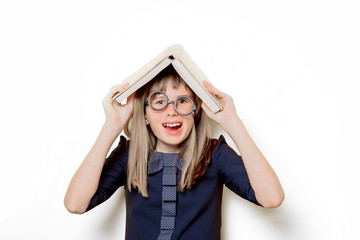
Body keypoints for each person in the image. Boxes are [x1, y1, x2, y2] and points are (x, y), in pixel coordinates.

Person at [64, 65, 284, 240]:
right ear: (144, 115)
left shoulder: (214, 154)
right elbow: (75, 204)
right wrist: (112, 125)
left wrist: (232, 122)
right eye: (160, 102)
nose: (171, 111)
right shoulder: (129, 154)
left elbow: (271, 198)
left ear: (196, 111)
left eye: (182, 102)